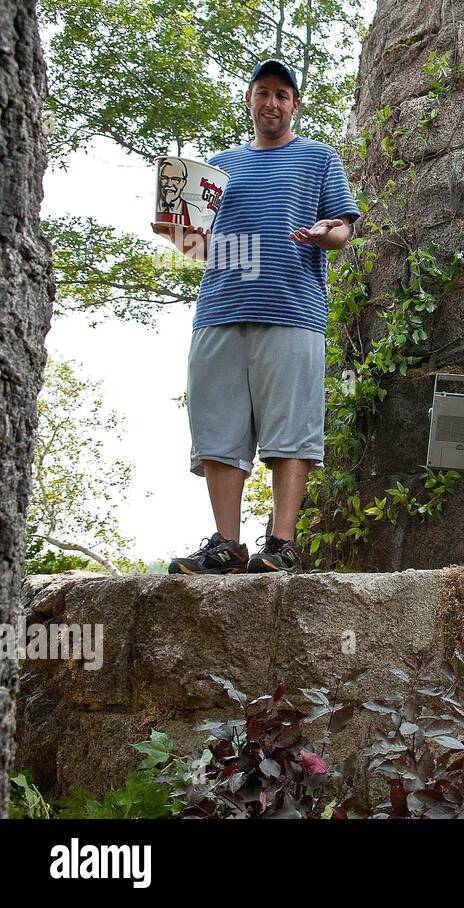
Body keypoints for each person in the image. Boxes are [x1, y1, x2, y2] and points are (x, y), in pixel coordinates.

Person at [167, 59, 358, 575]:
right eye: (263, 93)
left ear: (295, 105)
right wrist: (174, 225)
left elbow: (344, 230)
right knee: (218, 428)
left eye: (282, 94)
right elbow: (190, 245)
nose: (272, 103)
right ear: (249, 100)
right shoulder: (217, 167)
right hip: (219, 308)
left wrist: (325, 234)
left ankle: (281, 543)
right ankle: (227, 544)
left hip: (292, 309)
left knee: (290, 428)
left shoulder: (319, 159)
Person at [155, 157, 193, 226]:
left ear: (183, 183)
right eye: (164, 178)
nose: (169, 184)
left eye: (176, 179)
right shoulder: (151, 208)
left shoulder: (193, 211)